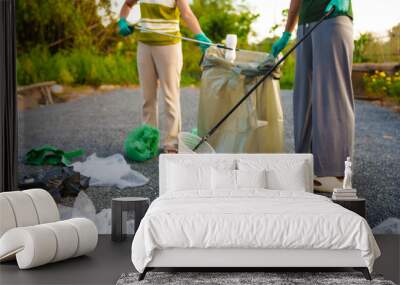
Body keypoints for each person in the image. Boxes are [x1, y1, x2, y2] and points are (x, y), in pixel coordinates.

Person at [271, 0, 354, 192]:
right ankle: (306, 164)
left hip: (332, 18)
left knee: (332, 95)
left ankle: (335, 172)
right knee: (303, 97)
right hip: (304, 24)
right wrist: (286, 32)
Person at [118, 0, 211, 153]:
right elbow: (128, 4)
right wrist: (122, 20)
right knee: (147, 98)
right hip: (144, 45)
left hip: (169, 46)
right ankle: (149, 140)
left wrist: (199, 34)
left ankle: (172, 142)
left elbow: (186, 14)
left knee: (170, 97)